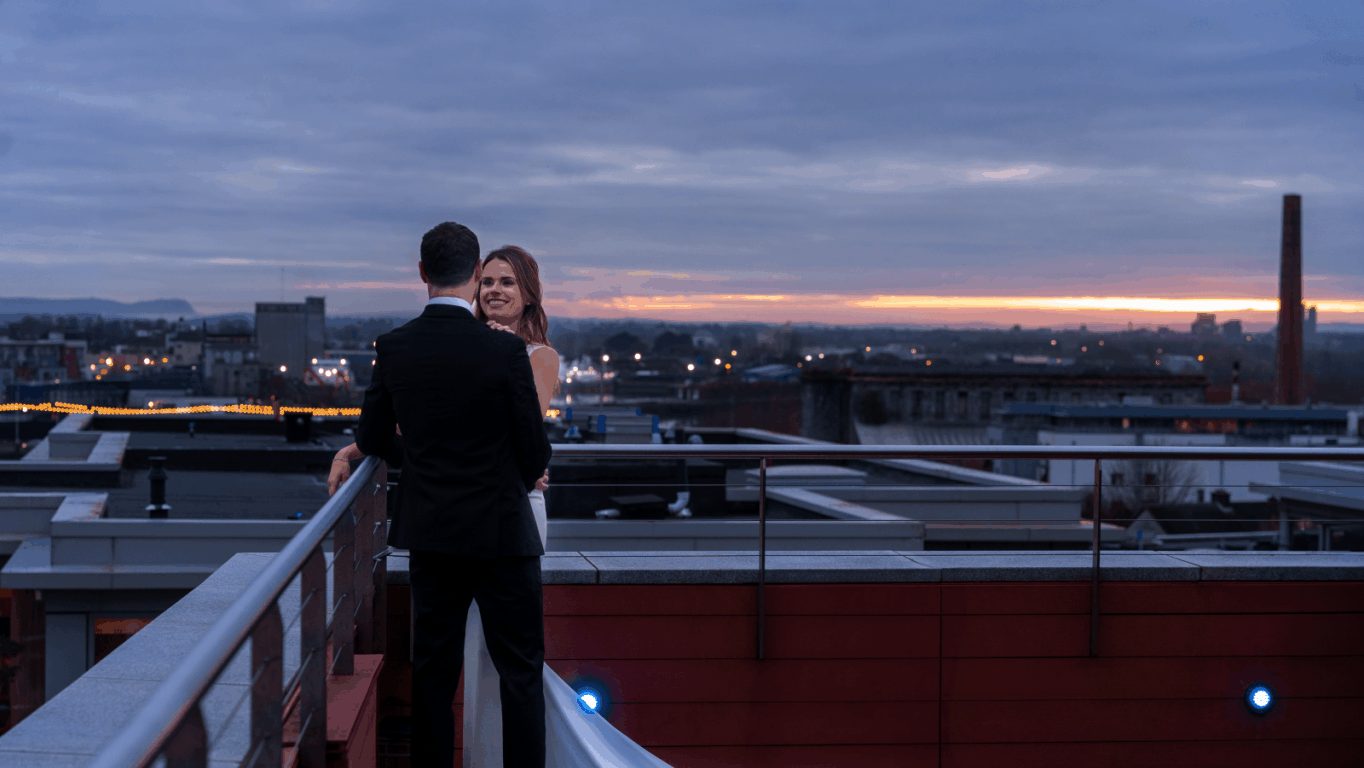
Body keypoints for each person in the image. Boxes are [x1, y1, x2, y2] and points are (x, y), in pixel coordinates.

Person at [333, 242, 673, 767]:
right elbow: (510, 444)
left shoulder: (526, 354)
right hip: (494, 518)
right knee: (490, 666)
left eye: (507, 283)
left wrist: (384, 444)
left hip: (476, 519)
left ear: (528, 295)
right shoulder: (477, 348)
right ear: (472, 280)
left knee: (472, 670)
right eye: (488, 281)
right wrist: (362, 445)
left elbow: (464, 437)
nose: (494, 290)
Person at [351, 222, 553, 768]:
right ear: (472, 277)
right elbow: (535, 457)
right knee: (520, 676)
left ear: (422, 274)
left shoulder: (393, 348)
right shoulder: (503, 353)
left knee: (433, 678)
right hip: (503, 536)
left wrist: (416, 458)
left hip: (432, 535)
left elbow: (370, 440)